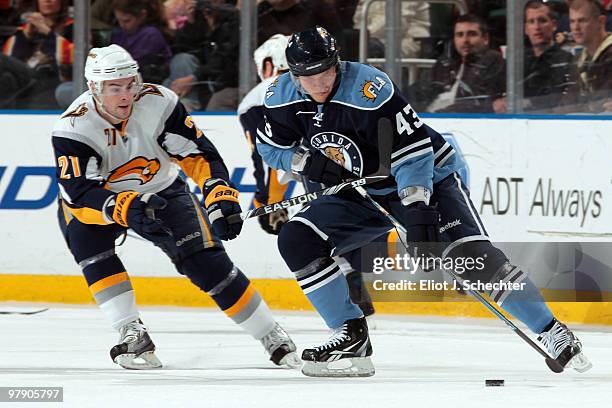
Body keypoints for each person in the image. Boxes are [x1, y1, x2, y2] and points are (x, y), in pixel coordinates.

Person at [256, 26, 592, 377]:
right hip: (360, 192)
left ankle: (550, 330)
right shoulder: (280, 97)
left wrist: (418, 210)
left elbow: (412, 153)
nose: (320, 83)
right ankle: (350, 335)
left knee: (473, 258)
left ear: (337, 63)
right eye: (309, 76)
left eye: (326, 71)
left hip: (428, 175)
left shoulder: (370, 89)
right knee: (298, 238)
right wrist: (305, 162)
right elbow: (270, 148)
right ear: (294, 74)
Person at [51, 44, 300, 370]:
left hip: (163, 191)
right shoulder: (72, 128)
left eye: (130, 84)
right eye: (114, 88)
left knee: (208, 264)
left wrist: (217, 193)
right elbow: (79, 190)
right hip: (99, 202)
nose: (126, 95)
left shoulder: (160, 102)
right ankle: (130, 331)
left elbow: (199, 154)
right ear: (94, 88)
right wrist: (124, 205)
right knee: (91, 248)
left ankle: (271, 334)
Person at [237, 33, 377, 320]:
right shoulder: (334, 83)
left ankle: (346, 291)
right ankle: (351, 280)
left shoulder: (257, 99)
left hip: (316, 167)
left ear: (266, 66)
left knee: (313, 231)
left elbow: (268, 157)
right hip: (356, 161)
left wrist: (268, 199)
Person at [493, 0, 579, 113]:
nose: (537, 27)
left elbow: (557, 100)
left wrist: (526, 103)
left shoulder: (566, 60)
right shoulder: (517, 61)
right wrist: (497, 102)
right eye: (531, 22)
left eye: (542, 21)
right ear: (525, 29)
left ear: (554, 25)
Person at [418, 14, 505, 113]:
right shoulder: (446, 61)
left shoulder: (493, 61)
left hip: (455, 121)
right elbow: (420, 90)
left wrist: (439, 114)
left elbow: (475, 103)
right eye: (460, 35)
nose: (465, 40)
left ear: (485, 38)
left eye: (472, 34)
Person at [2, 0, 73, 108]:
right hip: (25, 79)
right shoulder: (26, 30)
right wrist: (25, 36)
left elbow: (75, 56)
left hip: (51, 79)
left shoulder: (73, 27)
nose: (47, 1)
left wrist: (47, 32)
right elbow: (10, 57)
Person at [569, 0, 612, 112]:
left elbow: (602, 103)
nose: (576, 27)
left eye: (582, 21)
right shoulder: (579, 60)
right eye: (572, 21)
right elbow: (567, 103)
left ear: (601, 22)